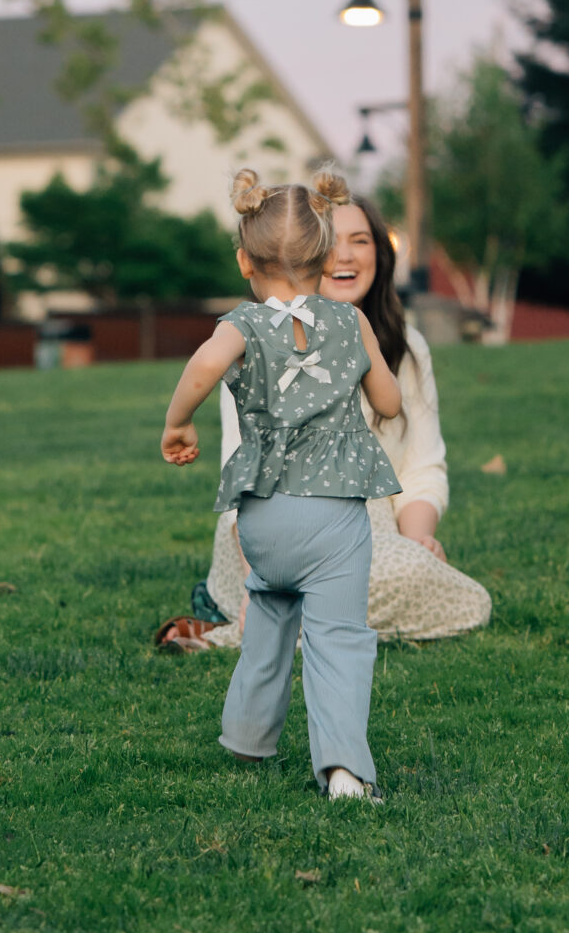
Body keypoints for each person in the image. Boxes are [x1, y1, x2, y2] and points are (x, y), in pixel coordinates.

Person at [161, 167, 403, 798]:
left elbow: (204, 365)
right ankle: (344, 769)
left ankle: (246, 736)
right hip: (333, 516)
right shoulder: (351, 323)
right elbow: (390, 400)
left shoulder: (241, 324)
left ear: (245, 260)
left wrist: (178, 423)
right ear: (326, 258)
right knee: (338, 638)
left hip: (263, 516)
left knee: (271, 608)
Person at [190, 191, 491, 647]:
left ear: (380, 255)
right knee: (342, 585)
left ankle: (290, 626)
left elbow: (422, 468)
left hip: (369, 526)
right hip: (264, 520)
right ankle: (267, 612)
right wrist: (258, 580)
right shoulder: (258, 343)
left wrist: (419, 541)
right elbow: (244, 470)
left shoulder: (407, 349)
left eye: (361, 240)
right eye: (332, 241)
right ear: (303, 254)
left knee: (450, 590)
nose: (346, 255)